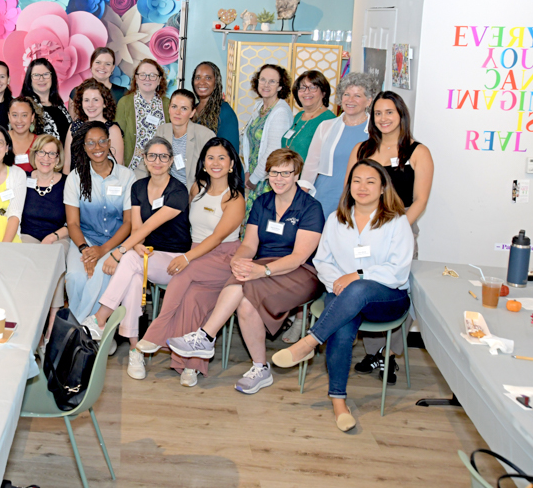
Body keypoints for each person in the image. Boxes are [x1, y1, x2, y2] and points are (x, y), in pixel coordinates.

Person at [166, 148, 324, 395]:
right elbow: (249, 244)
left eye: (285, 173)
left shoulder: (310, 207)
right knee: (245, 299)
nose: (279, 178)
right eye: (274, 173)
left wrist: (264, 271)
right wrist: (238, 260)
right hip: (263, 264)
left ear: (297, 175)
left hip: (301, 273)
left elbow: (299, 257)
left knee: (245, 286)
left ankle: (206, 336)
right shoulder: (262, 202)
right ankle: (260, 368)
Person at [271, 160, 413, 432]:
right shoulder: (337, 218)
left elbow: (398, 271)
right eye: (356, 181)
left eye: (371, 181)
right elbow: (322, 260)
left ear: (383, 188)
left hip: (388, 298)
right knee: (343, 322)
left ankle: (308, 343)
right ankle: (339, 401)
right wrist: (336, 282)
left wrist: (357, 275)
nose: (362, 187)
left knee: (357, 290)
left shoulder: (397, 221)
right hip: (344, 294)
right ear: (349, 186)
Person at [135, 138, 246, 386]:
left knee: (183, 273)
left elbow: (218, 238)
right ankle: (188, 365)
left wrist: (186, 258)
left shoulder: (235, 198)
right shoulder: (197, 188)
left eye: (222, 158)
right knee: (193, 298)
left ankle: (156, 332)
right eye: (210, 158)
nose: (215, 163)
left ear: (231, 165)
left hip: (222, 257)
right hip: (196, 253)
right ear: (203, 163)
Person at [80, 137, 192, 381]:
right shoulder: (138, 187)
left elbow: (151, 224)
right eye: (152, 156)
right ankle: (135, 349)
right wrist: (137, 246)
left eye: (163, 156)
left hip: (174, 260)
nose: (157, 161)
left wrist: (120, 251)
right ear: (144, 159)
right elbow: (138, 228)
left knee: (129, 261)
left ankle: (100, 318)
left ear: (171, 161)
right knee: (132, 277)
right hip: (146, 254)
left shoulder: (178, 190)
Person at [348, 91, 433, 375]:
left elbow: (420, 200)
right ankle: (372, 353)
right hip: (363, 231)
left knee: (396, 287)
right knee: (369, 287)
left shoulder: (417, 152)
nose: (383, 119)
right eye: (378, 113)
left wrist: (396, 230)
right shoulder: (362, 150)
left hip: (402, 229)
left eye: (389, 112)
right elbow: (350, 194)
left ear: (401, 115)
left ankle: (390, 353)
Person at [64, 122, 136, 329]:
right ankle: (89, 331)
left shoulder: (126, 176)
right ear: (84, 147)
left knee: (100, 274)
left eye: (102, 141)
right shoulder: (75, 178)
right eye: (91, 143)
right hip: (84, 241)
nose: (97, 147)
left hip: (115, 243)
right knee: (75, 277)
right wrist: (86, 251)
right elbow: (72, 223)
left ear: (109, 143)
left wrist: (103, 250)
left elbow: (129, 222)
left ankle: (82, 330)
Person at [302, 72, 379, 216]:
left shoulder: (376, 131)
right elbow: (311, 166)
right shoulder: (326, 126)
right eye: (346, 94)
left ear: (369, 101)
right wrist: (301, 196)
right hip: (324, 198)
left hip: (360, 200)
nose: (350, 100)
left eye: (357, 96)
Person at [22, 136, 70, 344]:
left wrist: (54, 236)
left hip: (59, 235)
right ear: (34, 154)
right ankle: (34, 323)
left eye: (52, 153)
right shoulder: (22, 178)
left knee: (54, 258)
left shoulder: (67, 182)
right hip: (28, 235)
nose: (46, 158)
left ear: (58, 158)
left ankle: (51, 323)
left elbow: (74, 222)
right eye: (42, 152)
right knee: (30, 261)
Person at [240, 64, 294, 216]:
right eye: (262, 80)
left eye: (272, 81)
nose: (265, 84)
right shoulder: (259, 107)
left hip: (268, 181)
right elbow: (249, 144)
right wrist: (247, 171)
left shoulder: (280, 112)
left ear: (280, 86)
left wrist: (254, 178)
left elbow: (273, 150)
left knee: (262, 223)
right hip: (254, 177)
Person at [142, 89, 214, 189]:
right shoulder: (162, 130)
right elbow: (147, 164)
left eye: (184, 108)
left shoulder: (205, 135)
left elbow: (213, 173)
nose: (177, 112)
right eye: (174, 107)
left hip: (193, 193)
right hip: (166, 192)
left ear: (192, 113)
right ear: (169, 108)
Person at [116, 59, 171, 172]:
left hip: (160, 167)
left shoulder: (167, 104)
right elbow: (118, 138)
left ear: (159, 79)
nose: (147, 79)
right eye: (142, 75)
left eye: (152, 75)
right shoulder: (125, 103)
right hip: (133, 167)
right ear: (136, 79)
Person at [64, 78, 125, 173]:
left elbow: (118, 168)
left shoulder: (113, 130)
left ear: (105, 103)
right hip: (75, 184)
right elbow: (67, 164)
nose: (90, 105)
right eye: (86, 100)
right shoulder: (74, 127)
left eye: (95, 100)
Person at [283, 70, 334, 160]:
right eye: (302, 87)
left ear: (323, 92)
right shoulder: (299, 116)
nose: (306, 92)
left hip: (310, 173)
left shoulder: (329, 120)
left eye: (313, 87)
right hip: (290, 172)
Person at [191, 61, 241, 153]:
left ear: (216, 82)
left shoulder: (224, 111)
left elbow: (230, 151)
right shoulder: (192, 109)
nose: (201, 82)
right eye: (198, 77)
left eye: (208, 78)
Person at [22, 58, 72, 140]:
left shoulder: (59, 104)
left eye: (46, 74)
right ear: (29, 79)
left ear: (52, 77)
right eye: (36, 75)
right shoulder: (26, 105)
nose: (41, 79)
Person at [69, 47, 126, 115]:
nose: (102, 67)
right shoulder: (76, 92)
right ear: (91, 65)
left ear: (113, 68)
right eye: (98, 62)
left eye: (107, 64)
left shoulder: (123, 93)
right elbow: (73, 122)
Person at [8, 95, 41, 174]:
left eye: (24, 115)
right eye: (15, 115)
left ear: (32, 117)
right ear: (9, 116)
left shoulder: (41, 143)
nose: (19, 120)